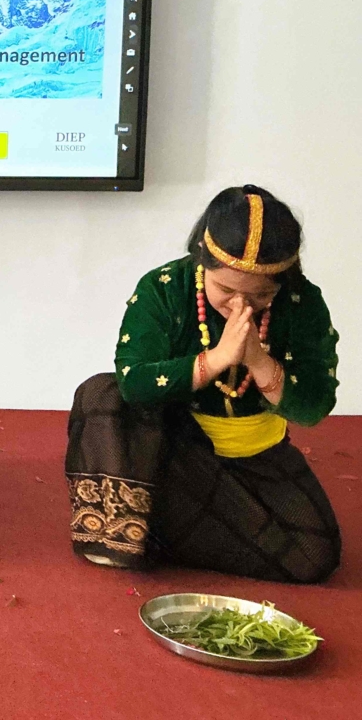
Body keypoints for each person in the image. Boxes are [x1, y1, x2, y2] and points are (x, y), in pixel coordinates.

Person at [65, 185, 341, 583]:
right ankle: (169, 527)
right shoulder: (164, 287)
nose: (240, 306)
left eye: (261, 295)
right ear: (202, 257)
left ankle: (156, 530)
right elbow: (134, 382)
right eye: (225, 289)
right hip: (173, 450)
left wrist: (258, 361)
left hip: (255, 456)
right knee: (102, 395)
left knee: (314, 558)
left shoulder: (303, 302)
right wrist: (217, 359)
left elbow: (313, 407)